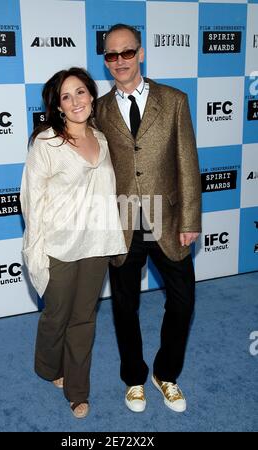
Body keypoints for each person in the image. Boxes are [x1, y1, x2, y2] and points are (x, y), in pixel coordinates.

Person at [96, 24, 202, 413]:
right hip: (121, 224)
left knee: (184, 300)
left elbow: (187, 164)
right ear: (105, 61)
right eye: (111, 55)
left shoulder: (174, 100)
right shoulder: (98, 110)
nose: (120, 61)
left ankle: (166, 373)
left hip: (169, 220)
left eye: (127, 53)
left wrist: (190, 218)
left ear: (140, 54)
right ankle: (134, 378)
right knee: (124, 307)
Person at [20, 67, 127, 418]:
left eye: (80, 92)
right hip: (60, 247)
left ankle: (77, 389)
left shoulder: (104, 139)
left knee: (84, 319)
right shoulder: (46, 142)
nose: (75, 100)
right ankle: (48, 366)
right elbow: (32, 202)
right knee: (56, 316)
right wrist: (34, 248)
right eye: (66, 96)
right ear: (59, 106)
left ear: (91, 96)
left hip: (96, 245)